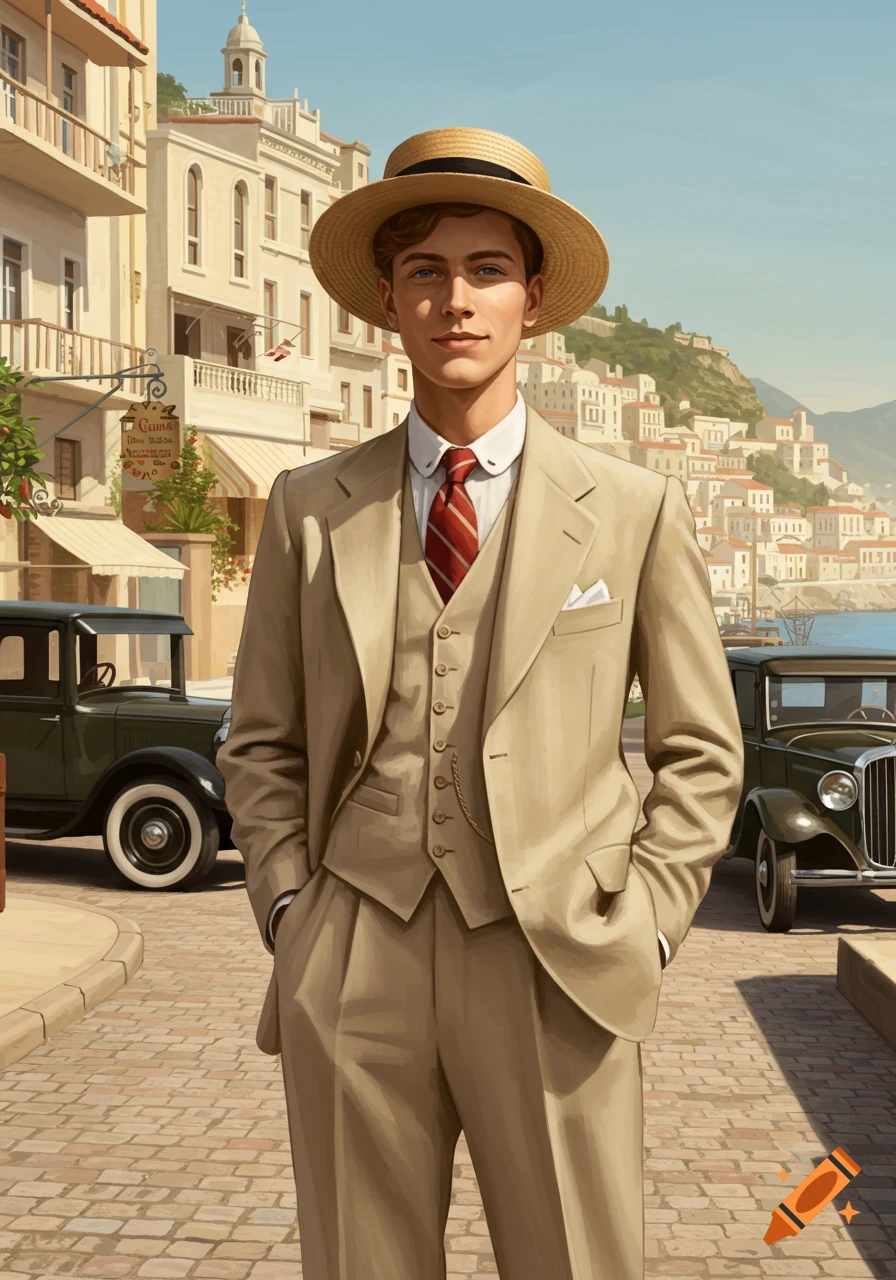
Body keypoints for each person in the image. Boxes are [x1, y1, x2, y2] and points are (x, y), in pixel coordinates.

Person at [216, 125, 745, 1280]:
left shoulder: (630, 507)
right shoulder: (310, 507)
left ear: (532, 299)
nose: (455, 299)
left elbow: (700, 749)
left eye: (486, 269)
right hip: (353, 941)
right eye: (425, 271)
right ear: (386, 302)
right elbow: (259, 740)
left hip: (556, 952)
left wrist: (645, 924)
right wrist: (288, 914)